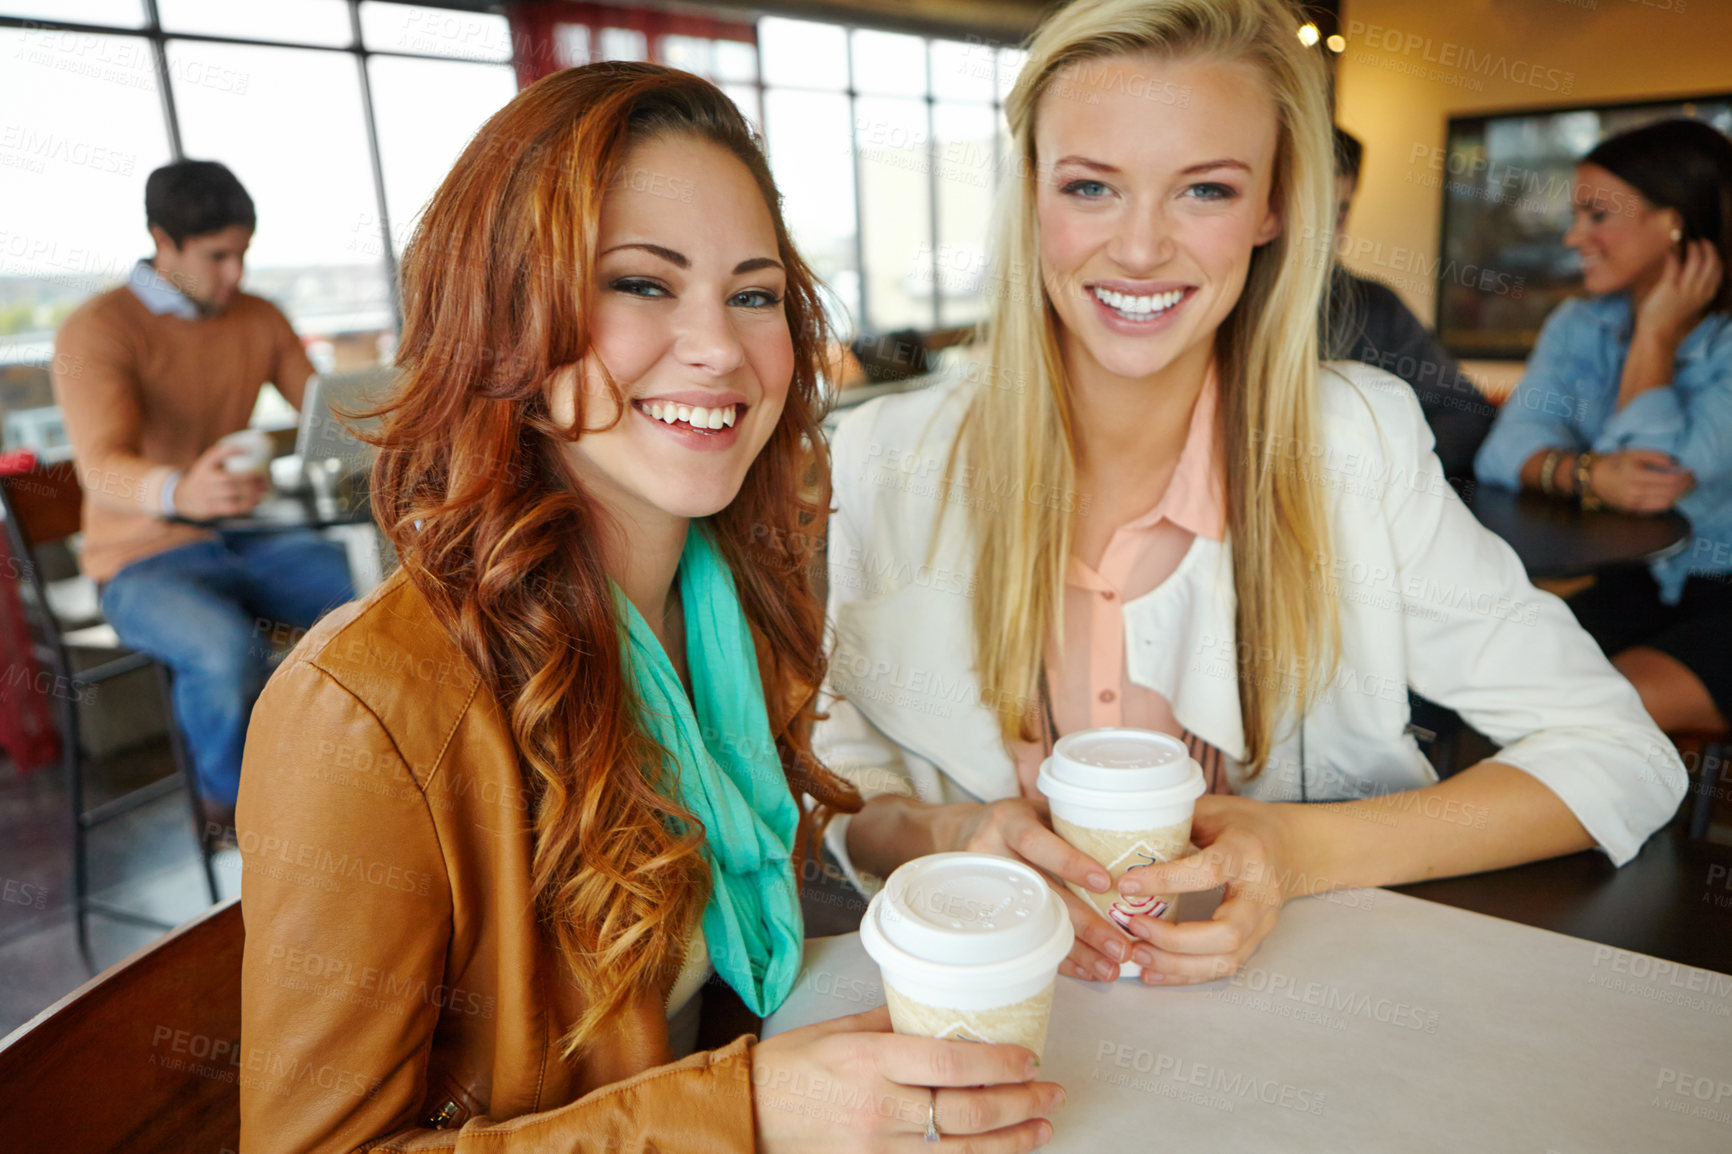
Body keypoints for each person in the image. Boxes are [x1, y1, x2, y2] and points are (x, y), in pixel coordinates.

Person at [235, 64, 1064, 1153]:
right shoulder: (367, 710)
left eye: (755, 293)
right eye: (640, 283)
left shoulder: (729, 601)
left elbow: (734, 879)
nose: (720, 347)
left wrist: (943, 830)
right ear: (502, 319)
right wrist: (745, 1112)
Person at [814, 0, 1685, 991]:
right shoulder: (885, 457)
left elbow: (1619, 754)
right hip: (991, 1025)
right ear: (1030, 194)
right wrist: (945, 831)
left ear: (1273, 204)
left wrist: (1297, 849)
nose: (1139, 249)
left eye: (1204, 190)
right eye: (1091, 185)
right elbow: (842, 788)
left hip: (1300, 1020)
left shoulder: (1353, 441)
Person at [51, 160, 354, 827]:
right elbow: (99, 465)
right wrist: (180, 492)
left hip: (246, 537)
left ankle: (361, 785)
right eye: (218, 256)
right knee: (224, 652)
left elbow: (329, 418)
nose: (235, 275)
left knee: (379, 599)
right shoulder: (98, 329)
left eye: (242, 254)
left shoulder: (257, 317)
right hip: (137, 559)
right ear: (163, 239)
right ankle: (234, 814)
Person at [1476, 119, 1732, 737]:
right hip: (1637, 583)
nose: (1574, 237)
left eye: (1597, 216)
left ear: (1674, 223)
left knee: (1591, 721)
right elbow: (1502, 451)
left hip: (1725, 595)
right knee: (1493, 683)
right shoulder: (1579, 322)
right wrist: (1584, 472)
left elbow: (1652, 478)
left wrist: (1656, 334)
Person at [1324, 127, 1496, 482]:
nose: (1324, 237)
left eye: (1338, 216)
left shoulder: (1371, 306)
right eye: (1307, 213)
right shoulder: (1219, 303)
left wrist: (1382, 476)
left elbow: (1464, 414)